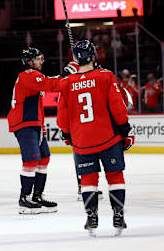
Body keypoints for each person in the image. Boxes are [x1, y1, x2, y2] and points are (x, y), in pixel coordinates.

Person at [57, 40, 134, 237]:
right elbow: (117, 107)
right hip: (108, 138)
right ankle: (118, 214)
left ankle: (91, 215)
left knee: (88, 179)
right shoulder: (105, 76)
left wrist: (67, 134)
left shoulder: (66, 83)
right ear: (93, 56)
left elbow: (62, 118)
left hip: (82, 142)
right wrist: (125, 130)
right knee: (115, 176)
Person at [8, 47, 78, 214]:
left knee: (44, 158)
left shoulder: (33, 76)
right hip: (25, 124)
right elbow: (51, 84)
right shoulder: (28, 75)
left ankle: (37, 196)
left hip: (34, 123)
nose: (41, 61)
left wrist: (66, 77)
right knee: (31, 160)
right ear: (30, 62)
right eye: (38, 59)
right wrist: (66, 73)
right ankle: (24, 198)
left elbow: (52, 83)